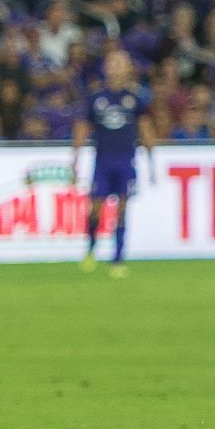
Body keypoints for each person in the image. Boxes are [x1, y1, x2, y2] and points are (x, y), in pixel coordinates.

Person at [72, 50, 155, 279]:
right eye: (113, 63)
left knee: (122, 210)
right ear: (106, 68)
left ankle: (118, 259)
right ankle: (90, 248)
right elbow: (82, 126)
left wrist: (151, 155)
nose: (117, 67)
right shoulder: (96, 97)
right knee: (96, 208)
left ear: (128, 68)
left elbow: (145, 127)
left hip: (126, 160)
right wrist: (76, 154)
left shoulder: (136, 98)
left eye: (121, 63)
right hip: (103, 160)